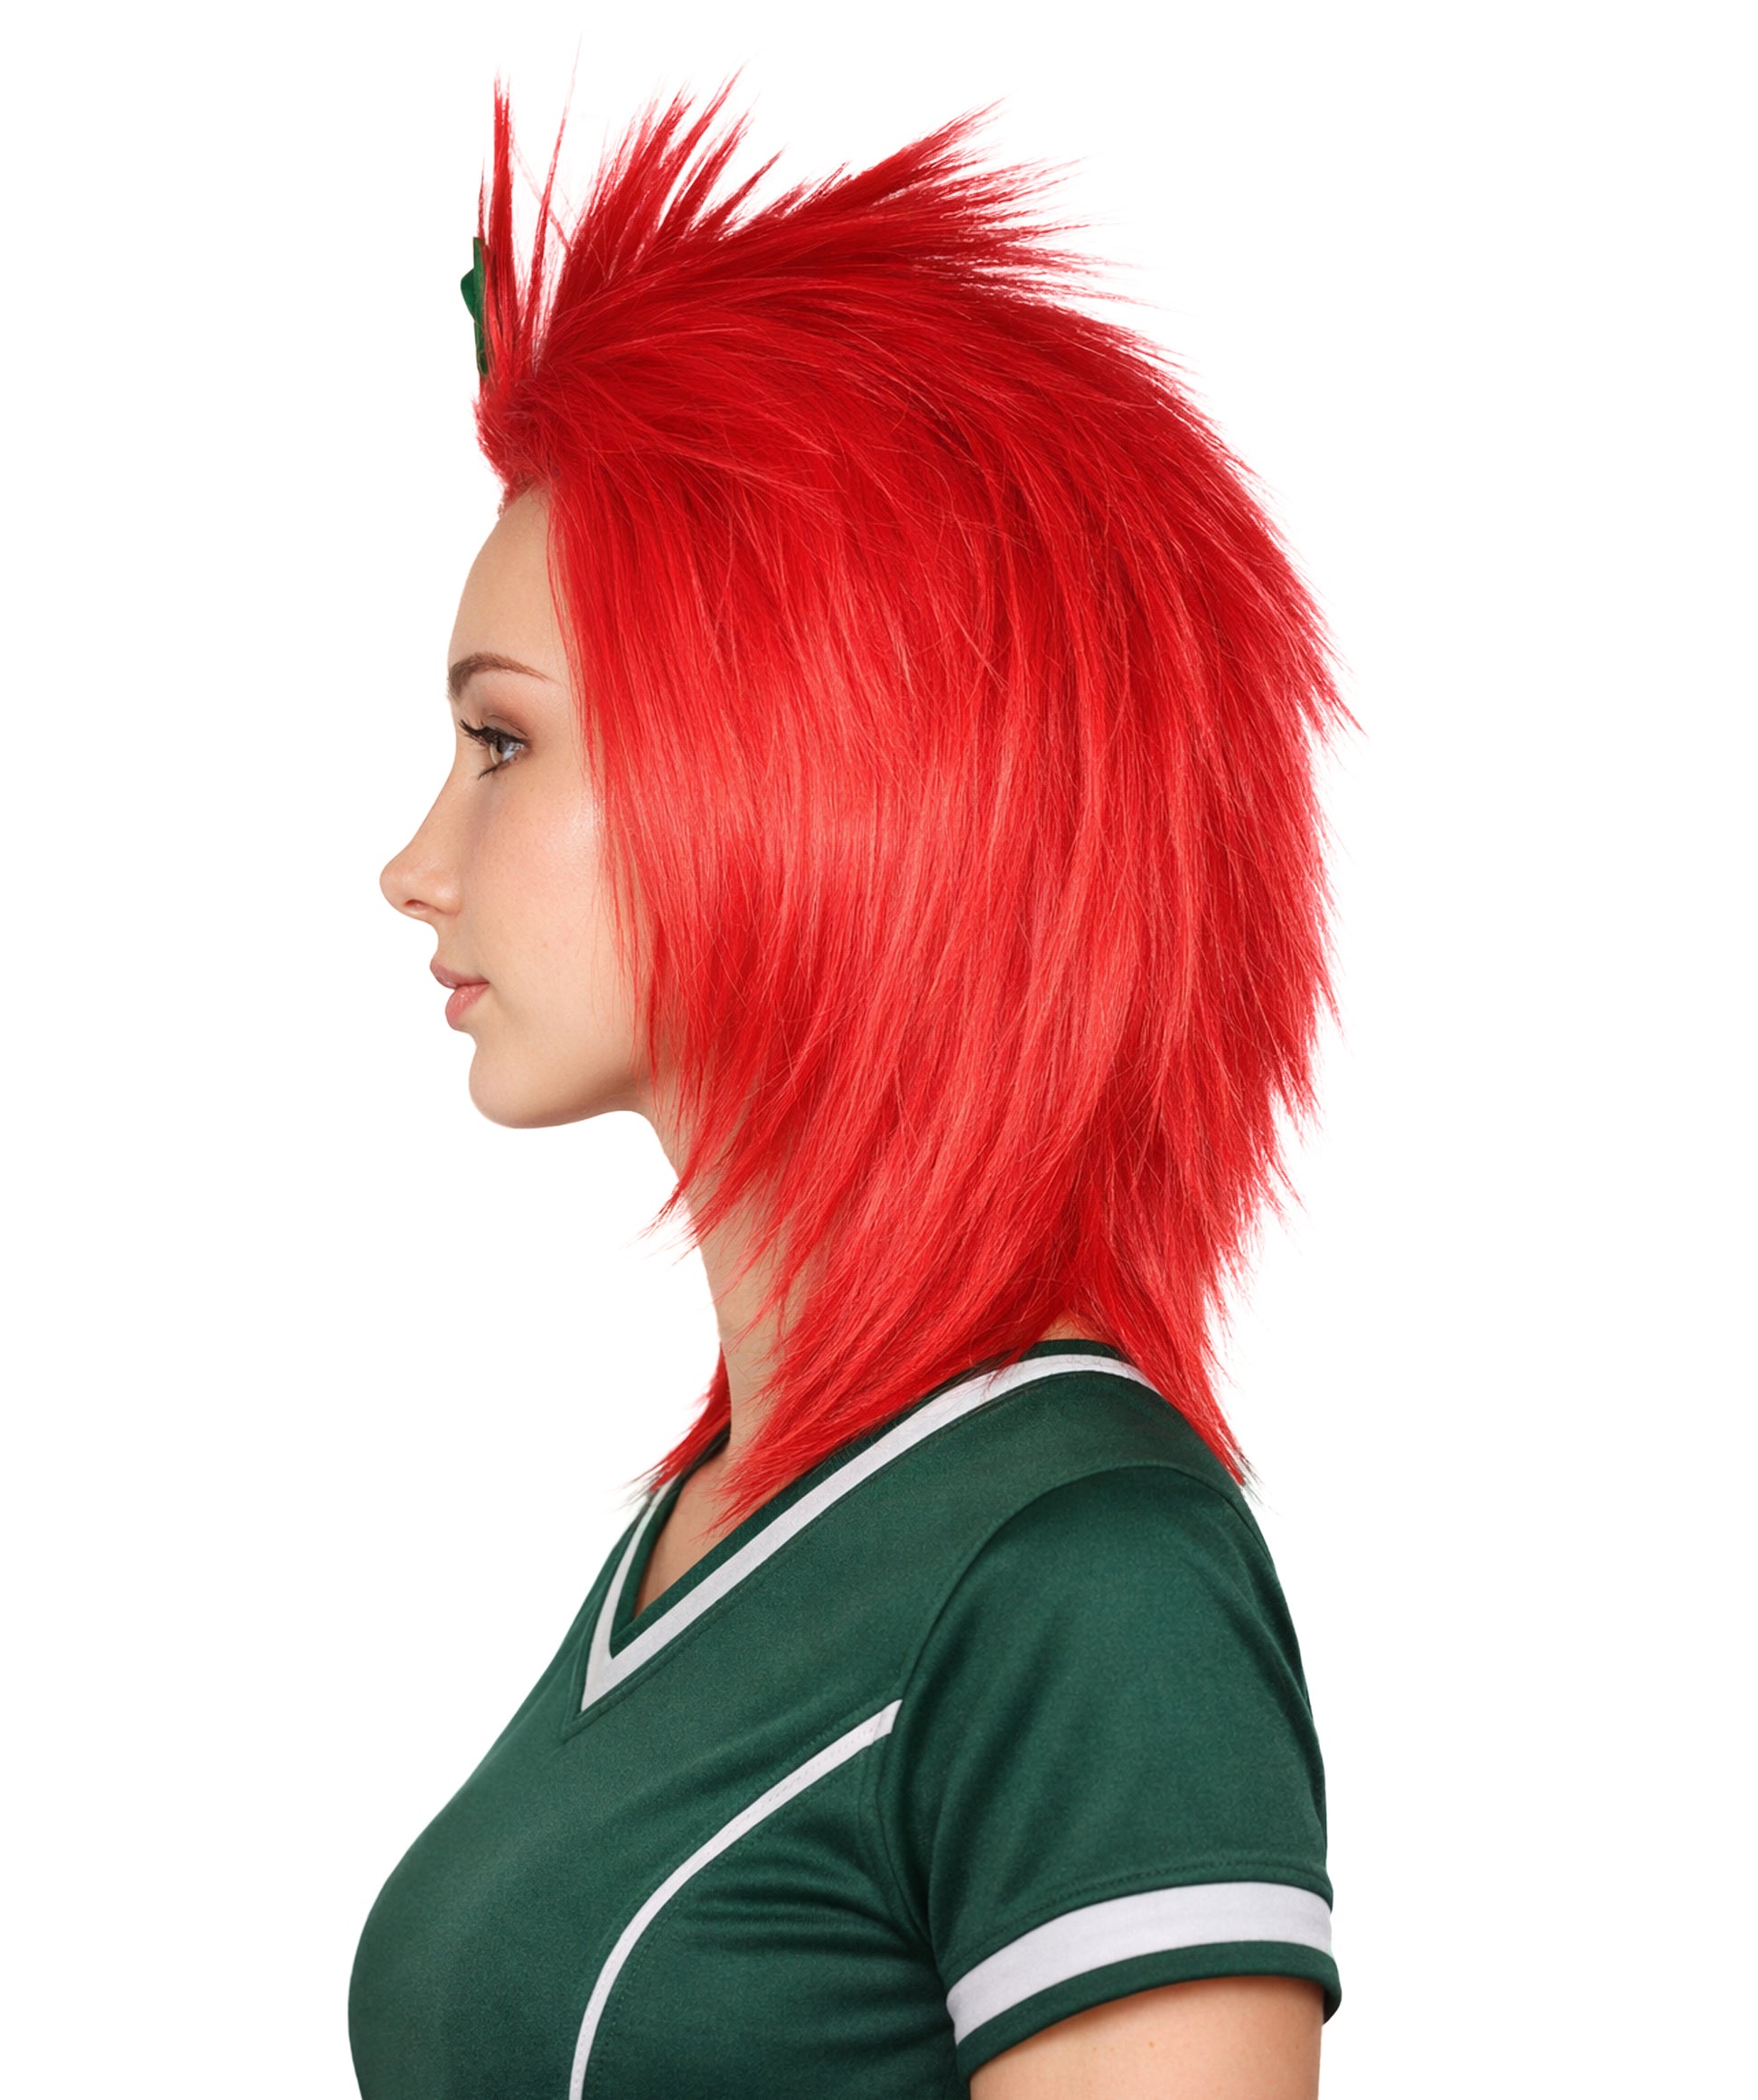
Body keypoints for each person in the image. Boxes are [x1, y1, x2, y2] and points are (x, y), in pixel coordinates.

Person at [354, 81, 1346, 2100]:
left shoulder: (1086, 1576)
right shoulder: (717, 1521)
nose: (413, 863)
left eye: (502, 743)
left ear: (809, 772)